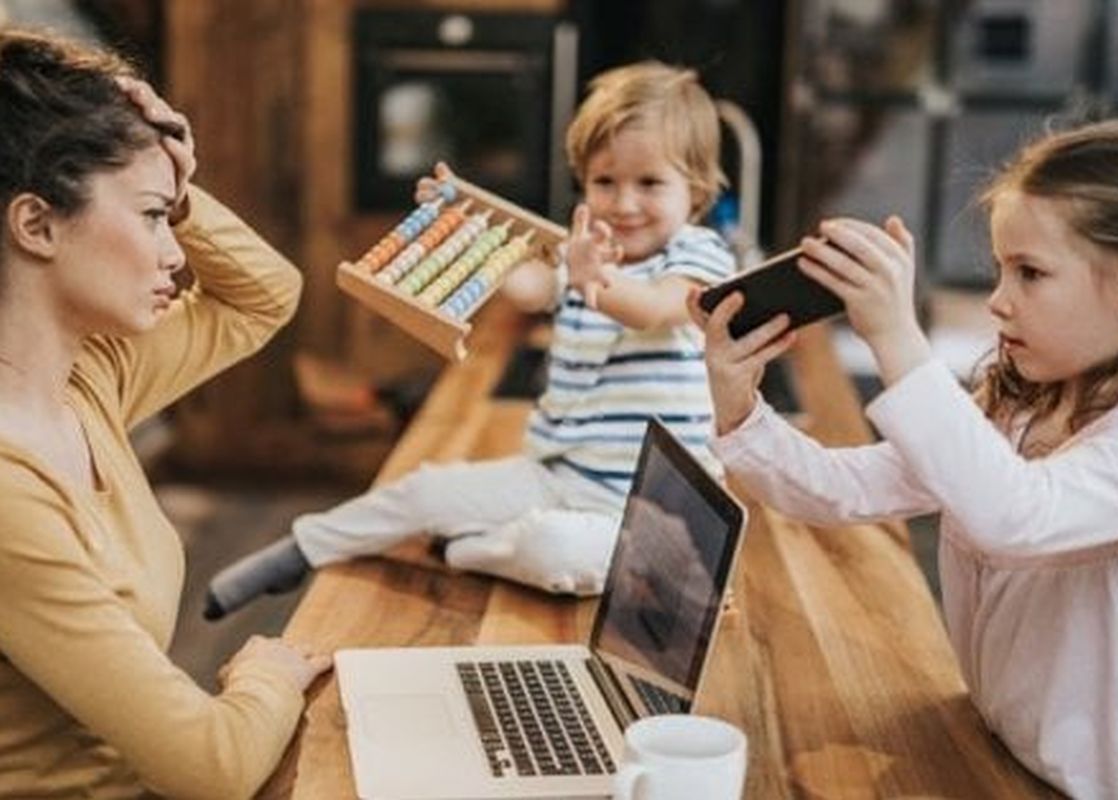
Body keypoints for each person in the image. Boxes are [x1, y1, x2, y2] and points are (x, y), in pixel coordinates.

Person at [206, 60, 737, 615]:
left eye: (649, 183)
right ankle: (304, 547)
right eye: (605, 182)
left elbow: (650, 310)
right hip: (557, 475)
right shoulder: (584, 254)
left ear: (695, 191)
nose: (624, 204)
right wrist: (463, 223)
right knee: (427, 490)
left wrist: (589, 275)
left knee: (555, 547)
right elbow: (528, 286)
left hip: (654, 512)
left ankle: (470, 550)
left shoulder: (699, 258)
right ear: (584, 182)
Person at [690, 120, 1118, 798]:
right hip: (997, 746)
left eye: (1031, 273)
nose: (999, 300)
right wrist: (741, 407)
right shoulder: (1022, 404)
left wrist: (895, 335)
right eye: (1002, 268)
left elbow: (1017, 517)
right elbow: (841, 489)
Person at [0, 29, 330, 799]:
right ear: (37, 225)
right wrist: (264, 671)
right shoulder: (10, 495)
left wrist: (177, 185)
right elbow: (210, 768)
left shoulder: (85, 382)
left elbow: (263, 296)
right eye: (151, 217)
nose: (177, 250)